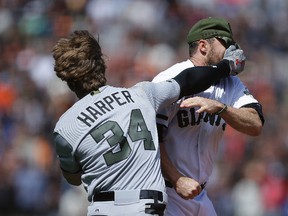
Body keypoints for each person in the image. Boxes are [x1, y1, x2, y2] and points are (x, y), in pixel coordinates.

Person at [52, 30, 245, 216]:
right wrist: (226, 66)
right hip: (146, 208)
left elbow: (74, 178)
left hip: (103, 209)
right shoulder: (141, 95)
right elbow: (188, 80)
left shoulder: (65, 127)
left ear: (67, 79)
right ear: (102, 64)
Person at [152, 17, 265, 216]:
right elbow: (150, 138)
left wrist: (222, 108)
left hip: (200, 195)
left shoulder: (230, 83)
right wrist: (177, 179)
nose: (233, 51)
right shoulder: (170, 78)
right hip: (167, 191)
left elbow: (255, 124)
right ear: (203, 45)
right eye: (226, 44)